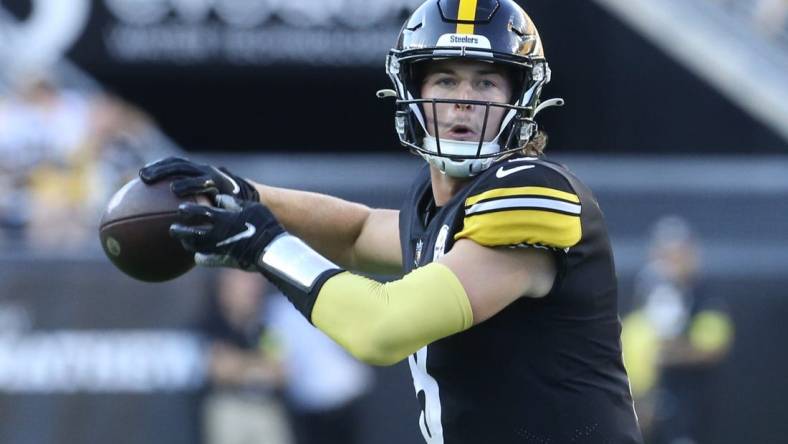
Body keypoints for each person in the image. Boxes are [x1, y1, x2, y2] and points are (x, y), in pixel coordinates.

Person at [139, 1, 643, 442]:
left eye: (485, 82)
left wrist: (264, 246)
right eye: (445, 79)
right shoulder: (437, 206)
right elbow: (357, 232)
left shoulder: (532, 190)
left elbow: (382, 328)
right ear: (411, 93)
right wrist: (243, 194)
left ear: (520, 99)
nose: (462, 99)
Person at [622, 216, 733, 444]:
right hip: (647, 409)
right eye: (664, 253)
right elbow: (630, 348)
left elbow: (712, 348)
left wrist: (666, 351)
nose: (671, 261)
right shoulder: (643, 295)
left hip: (690, 408)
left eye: (677, 253)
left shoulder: (705, 297)